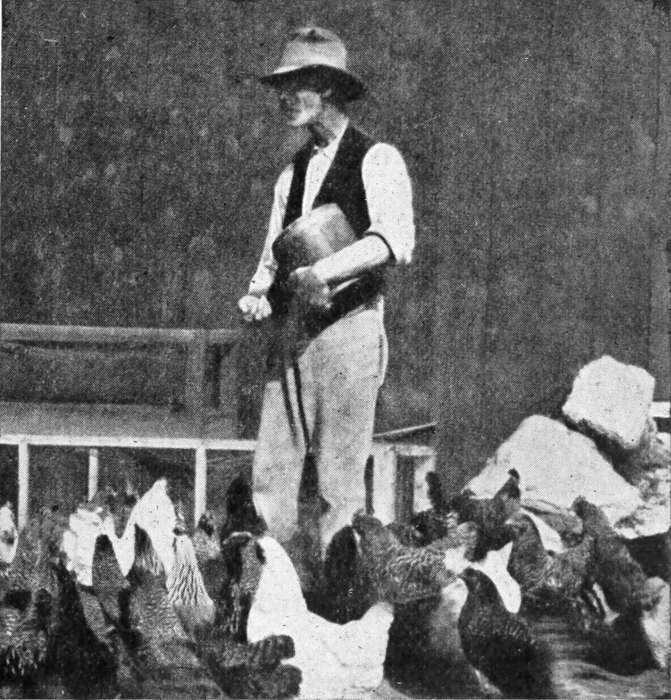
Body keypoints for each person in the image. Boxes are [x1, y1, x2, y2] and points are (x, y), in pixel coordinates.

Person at [238, 26, 415, 584]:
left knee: (340, 479)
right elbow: (272, 255)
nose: (286, 96)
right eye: (282, 86)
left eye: (300, 84)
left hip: (349, 331)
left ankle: (340, 595)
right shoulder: (291, 173)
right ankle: (269, 590)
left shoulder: (377, 158)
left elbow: (394, 241)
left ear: (331, 88)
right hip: (294, 333)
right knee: (273, 471)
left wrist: (325, 271)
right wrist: (257, 294)